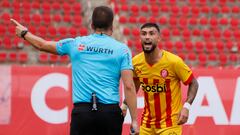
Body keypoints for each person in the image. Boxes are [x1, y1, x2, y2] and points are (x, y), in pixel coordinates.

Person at [11, 6, 139, 135]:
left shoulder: (76, 44)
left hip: (82, 113)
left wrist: (24, 33)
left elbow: (42, 45)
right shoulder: (122, 50)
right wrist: (134, 120)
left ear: (92, 25)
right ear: (112, 27)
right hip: (109, 113)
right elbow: (129, 86)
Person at [121, 23, 199, 135]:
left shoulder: (173, 62)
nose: (147, 37)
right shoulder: (136, 62)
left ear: (158, 38)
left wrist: (186, 107)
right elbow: (133, 87)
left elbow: (194, 83)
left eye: (151, 33)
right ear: (140, 39)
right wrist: (124, 105)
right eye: (144, 34)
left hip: (170, 124)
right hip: (147, 124)